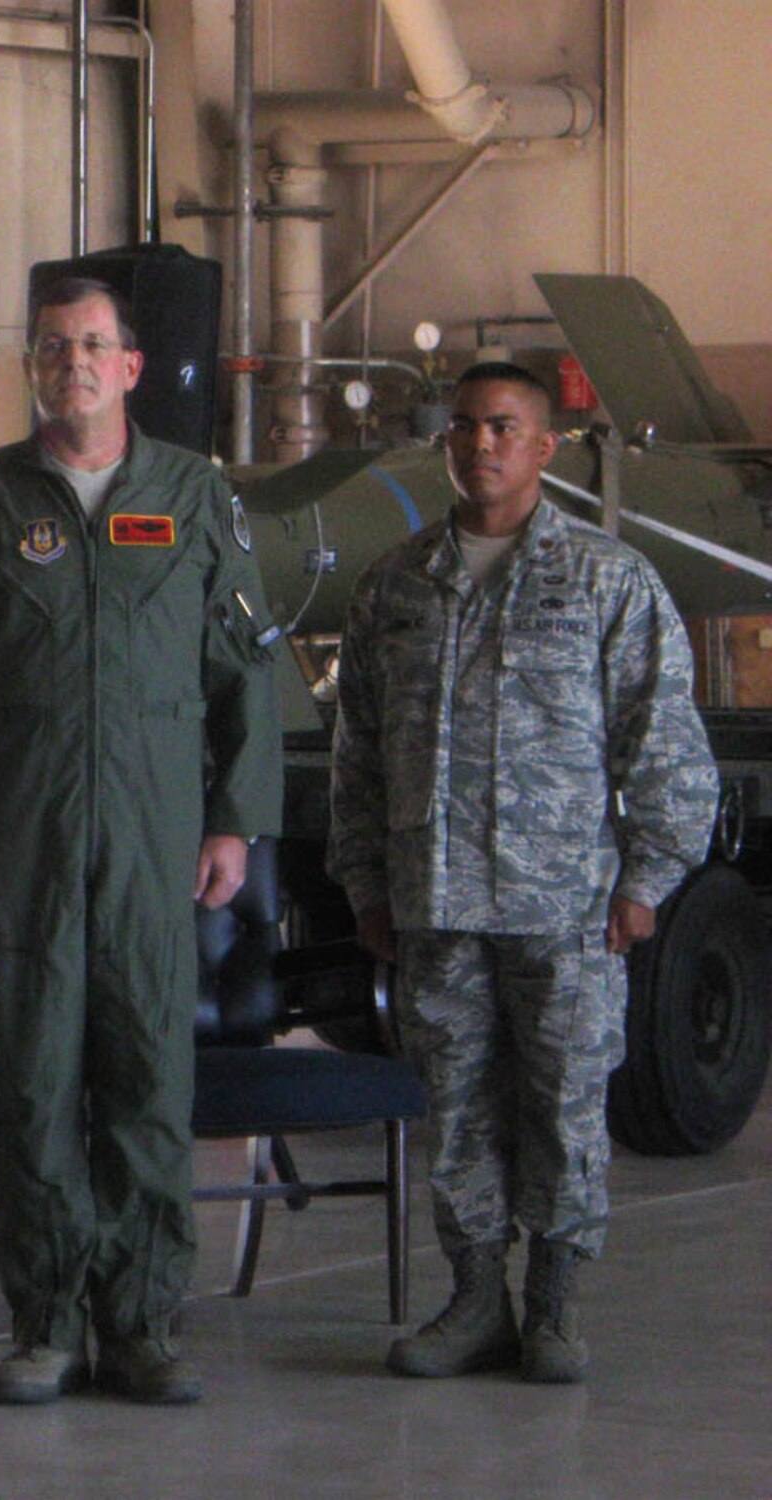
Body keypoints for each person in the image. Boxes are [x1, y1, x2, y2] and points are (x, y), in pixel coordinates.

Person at [0, 275, 282, 1407]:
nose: (73, 360)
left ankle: (143, 1324)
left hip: (156, 832)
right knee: (30, 1083)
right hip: (15, 831)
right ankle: (47, 1324)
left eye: (95, 344)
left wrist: (232, 818)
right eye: (54, 344)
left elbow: (243, 670)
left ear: (130, 369)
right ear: (32, 367)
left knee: (147, 1076)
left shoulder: (194, 495)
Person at [327, 361, 718, 1384]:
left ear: (543, 448)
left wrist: (646, 881)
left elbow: (663, 742)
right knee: (453, 1100)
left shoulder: (605, 580)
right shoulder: (395, 585)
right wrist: (366, 883)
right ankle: (470, 1301)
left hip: (566, 906)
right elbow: (356, 751)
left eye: (502, 428)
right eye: (462, 428)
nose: (479, 446)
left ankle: (550, 1305)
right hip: (437, 899)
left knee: (560, 1101)